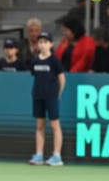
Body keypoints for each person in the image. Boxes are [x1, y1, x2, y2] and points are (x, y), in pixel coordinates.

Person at [28, 32, 65, 166]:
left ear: (51, 44)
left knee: (55, 125)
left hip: (51, 96)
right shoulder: (35, 60)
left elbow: (62, 79)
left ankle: (57, 156)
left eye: (45, 42)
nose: (42, 45)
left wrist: (58, 94)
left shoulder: (54, 61)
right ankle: (39, 155)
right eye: (40, 42)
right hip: (38, 96)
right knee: (39, 125)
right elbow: (36, 77)